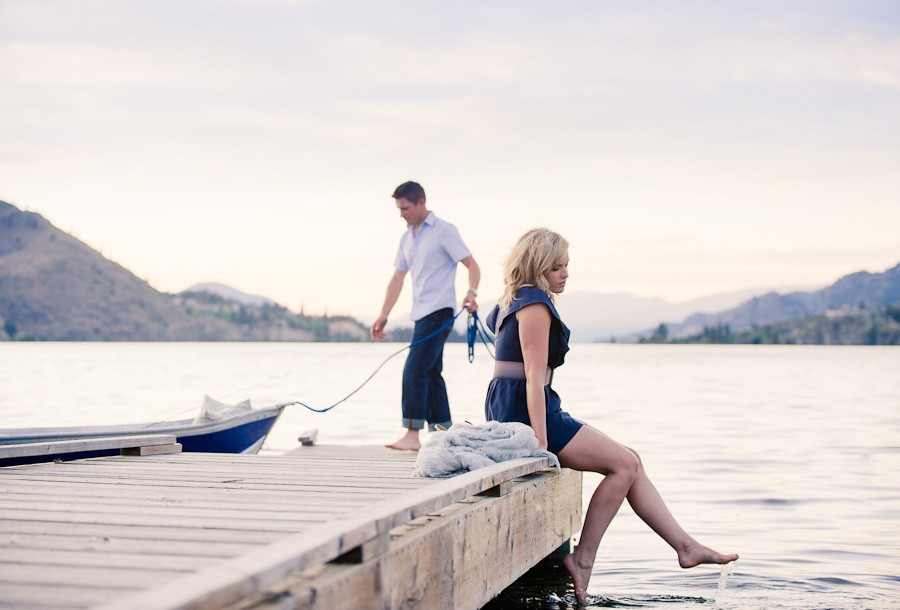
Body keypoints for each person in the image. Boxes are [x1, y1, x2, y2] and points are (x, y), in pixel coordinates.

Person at [484, 228, 738, 603]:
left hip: (518, 404)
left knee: (630, 457)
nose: (565, 274)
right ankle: (583, 559)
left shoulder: (514, 298)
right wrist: (539, 443)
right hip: (526, 409)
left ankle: (685, 547)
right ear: (538, 267)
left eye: (567, 265)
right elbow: (533, 379)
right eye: (556, 267)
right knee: (623, 464)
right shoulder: (534, 304)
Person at [372, 181, 480, 451]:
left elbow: (471, 264)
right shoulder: (407, 238)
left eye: (405, 208)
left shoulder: (444, 231)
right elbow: (397, 278)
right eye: (399, 209)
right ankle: (444, 434)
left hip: (440, 310)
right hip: (420, 313)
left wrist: (472, 292)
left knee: (415, 369)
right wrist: (384, 314)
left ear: (421, 203)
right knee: (431, 372)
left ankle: (412, 434)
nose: (401, 214)